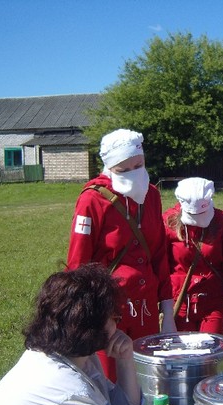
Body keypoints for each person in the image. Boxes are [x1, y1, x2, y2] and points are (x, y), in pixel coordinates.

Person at [0, 264, 142, 405]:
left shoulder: (68, 358)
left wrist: (125, 360)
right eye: (114, 317)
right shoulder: (65, 396)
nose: (117, 324)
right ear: (90, 328)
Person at [66, 129, 176, 381]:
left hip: (146, 309)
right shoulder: (92, 200)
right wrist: (92, 315)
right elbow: (77, 263)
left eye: (138, 165)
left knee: (146, 381)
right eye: (123, 170)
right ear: (109, 167)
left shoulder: (152, 195)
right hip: (108, 311)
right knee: (110, 383)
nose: (134, 174)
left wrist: (167, 312)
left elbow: (159, 254)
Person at [163, 177, 223, 333]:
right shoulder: (169, 222)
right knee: (183, 354)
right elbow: (162, 266)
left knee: (211, 353)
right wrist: (166, 308)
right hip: (181, 301)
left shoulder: (221, 221)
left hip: (213, 300)